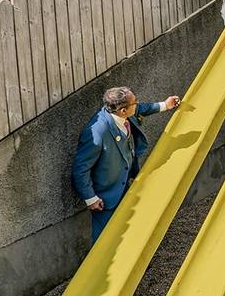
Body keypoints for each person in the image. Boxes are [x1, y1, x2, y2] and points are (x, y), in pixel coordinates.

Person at [71, 87, 180, 243]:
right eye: (135, 102)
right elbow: (80, 168)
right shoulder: (96, 132)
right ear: (123, 110)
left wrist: (164, 105)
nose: (137, 104)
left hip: (127, 184)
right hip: (106, 196)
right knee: (105, 239)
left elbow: (140, 109)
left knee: (131, 231)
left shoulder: (120, 113)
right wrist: (91, 198)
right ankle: (101, 267)